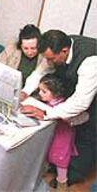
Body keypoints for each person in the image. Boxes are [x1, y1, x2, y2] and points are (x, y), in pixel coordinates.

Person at [20, 30, 97, 185]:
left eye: (51, 59)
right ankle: (58, 165)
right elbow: (39, 73)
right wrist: (24, 92)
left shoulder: (90, 60)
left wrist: (47, 113)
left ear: (64, 51)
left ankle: (72, 176)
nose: (49, 62)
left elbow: (81, 102)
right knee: (66, 133)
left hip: (92, 98)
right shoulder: (54, 47)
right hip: (75, 92)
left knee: (87, 135)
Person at [37, 74, 81, 191]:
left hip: (62, 136)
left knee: (60, 159)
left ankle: (62, 183)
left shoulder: (64, 106)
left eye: (44, 91)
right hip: (52, 135)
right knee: (47, 153)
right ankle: (42, 173)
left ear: (55, 93)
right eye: (39, 90)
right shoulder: (47, 102)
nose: (40, 94)